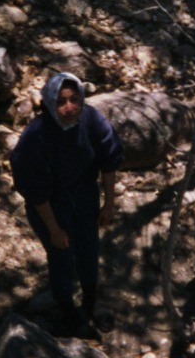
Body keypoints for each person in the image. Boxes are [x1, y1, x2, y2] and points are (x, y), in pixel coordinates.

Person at [10, 71, 124, 336]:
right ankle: (69, 313)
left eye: (74, 99)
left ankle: (90, 303)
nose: (69, 107)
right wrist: (54, 229)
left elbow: (109, 160)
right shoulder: (35, 136)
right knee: (61, 256)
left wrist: (109, 203)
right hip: (50, 205)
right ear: (50, 103)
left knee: (89, 249)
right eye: (61, 101)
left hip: (85, 195)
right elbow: (34, 190)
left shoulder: (92, 119)